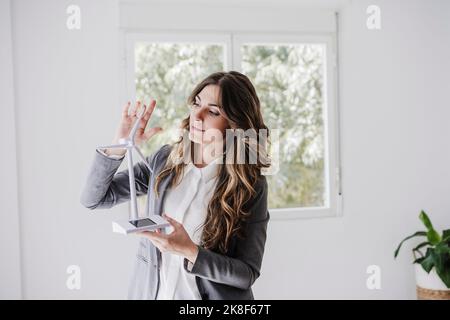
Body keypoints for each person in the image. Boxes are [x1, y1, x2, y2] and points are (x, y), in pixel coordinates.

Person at [80, 71, 271, 300]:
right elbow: (94, 199)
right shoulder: (165, 161)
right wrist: (120, 145)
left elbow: (246, 274)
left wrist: (190, 251)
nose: (196, 116)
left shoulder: (250, 185)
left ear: (234, 123)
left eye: (212, 111)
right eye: (196, 103)